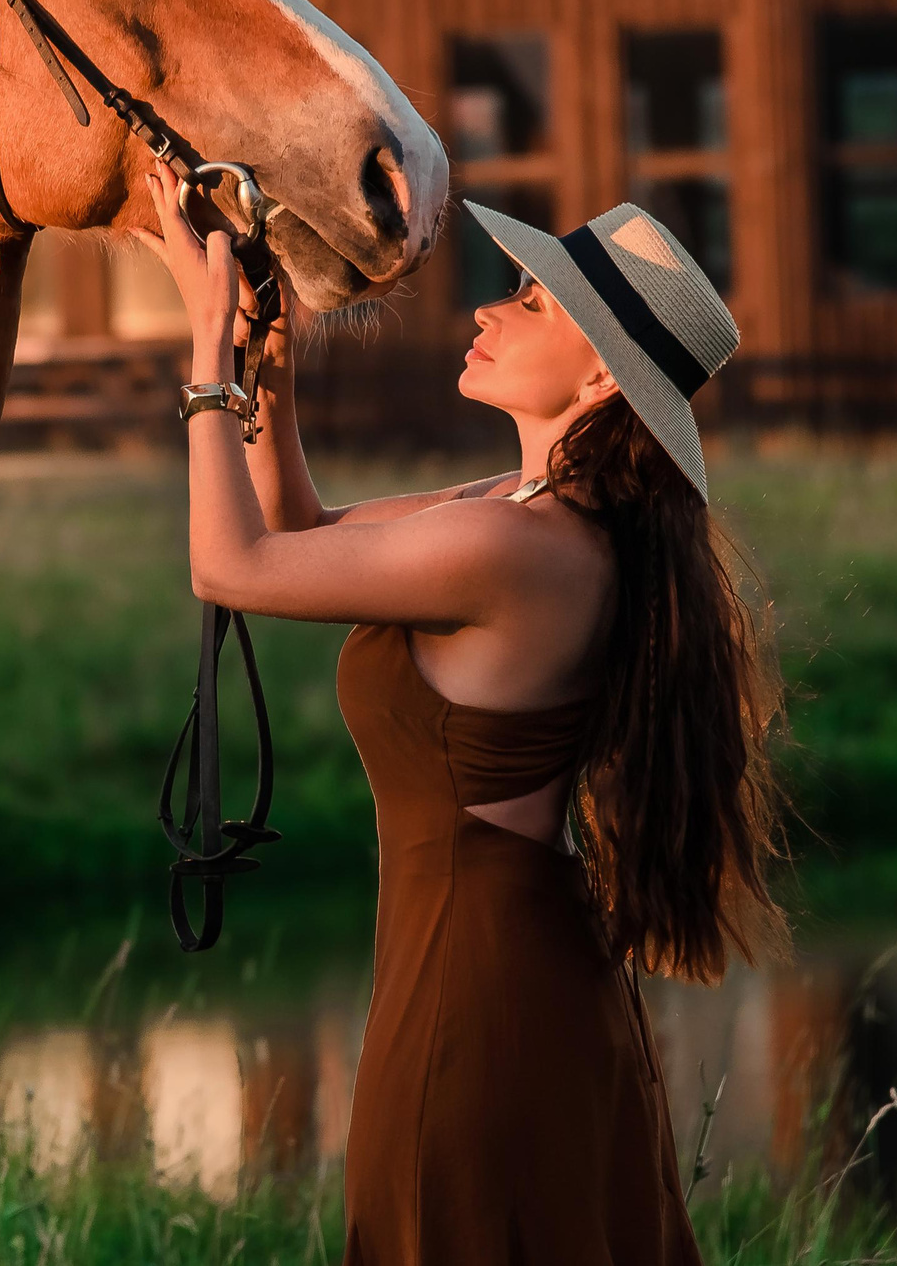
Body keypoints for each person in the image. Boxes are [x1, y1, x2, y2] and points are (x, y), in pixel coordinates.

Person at [135, 169, 792, 1265]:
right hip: (496, 962)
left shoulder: (515, 550)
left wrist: (205, 356)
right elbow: (298, 528)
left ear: (598, 373)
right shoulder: (519, 511)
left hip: (477, 984)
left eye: (531, 300)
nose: (489, 307)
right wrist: (271, 372)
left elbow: (229, 563)